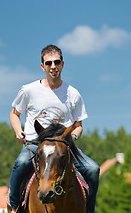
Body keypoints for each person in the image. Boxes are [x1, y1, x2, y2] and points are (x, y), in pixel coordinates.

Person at [8, 44, 99, 213]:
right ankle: (13, 205)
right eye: (48, 63)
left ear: (62, 64)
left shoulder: (73, 94)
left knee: (93, 169)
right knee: (21, 164)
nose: (53, 66)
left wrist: (72, 137)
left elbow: (78, 126)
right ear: (42, 66)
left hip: (63, 145)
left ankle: (89, 210)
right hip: (36, 143)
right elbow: (14, 114)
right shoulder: (28, 90)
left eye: (57, 62)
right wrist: (17, 131)